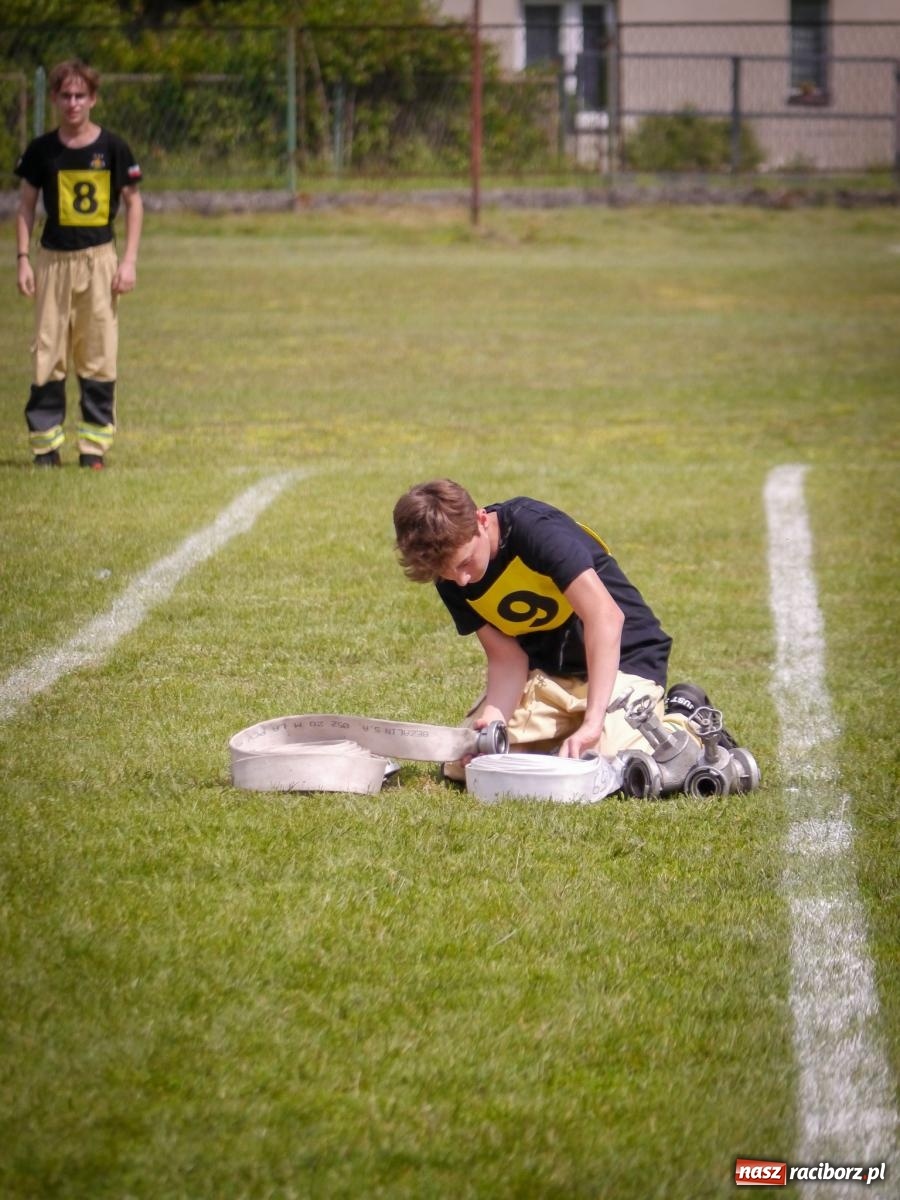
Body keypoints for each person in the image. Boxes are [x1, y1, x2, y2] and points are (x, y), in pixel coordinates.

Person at [393, 479, 705, 779]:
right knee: (472, 762)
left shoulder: (534, 529)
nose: (460, 581)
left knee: (607, 761)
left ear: (480, 520)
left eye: (464, 563)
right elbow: (506, 658)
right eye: (446, 573)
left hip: (625, 659)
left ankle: (685, 717)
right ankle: (573, 729)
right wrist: (493, 720)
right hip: (551, 676)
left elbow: (605, 617)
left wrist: (594, 723)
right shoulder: (450, 577)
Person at [15, 59, 143, 469]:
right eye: (66, 95)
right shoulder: (41, 150)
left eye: (80, 95)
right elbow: (25, 207)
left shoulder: (113, 147)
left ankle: (93, 448)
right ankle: (45, 446)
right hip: (52, 261)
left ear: (93, 99)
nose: (73, 103)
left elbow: (134, 203)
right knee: (48, 352)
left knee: (98, 352)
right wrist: (22, 260)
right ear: (54, 98)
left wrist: (129, 262)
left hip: (100, 260)